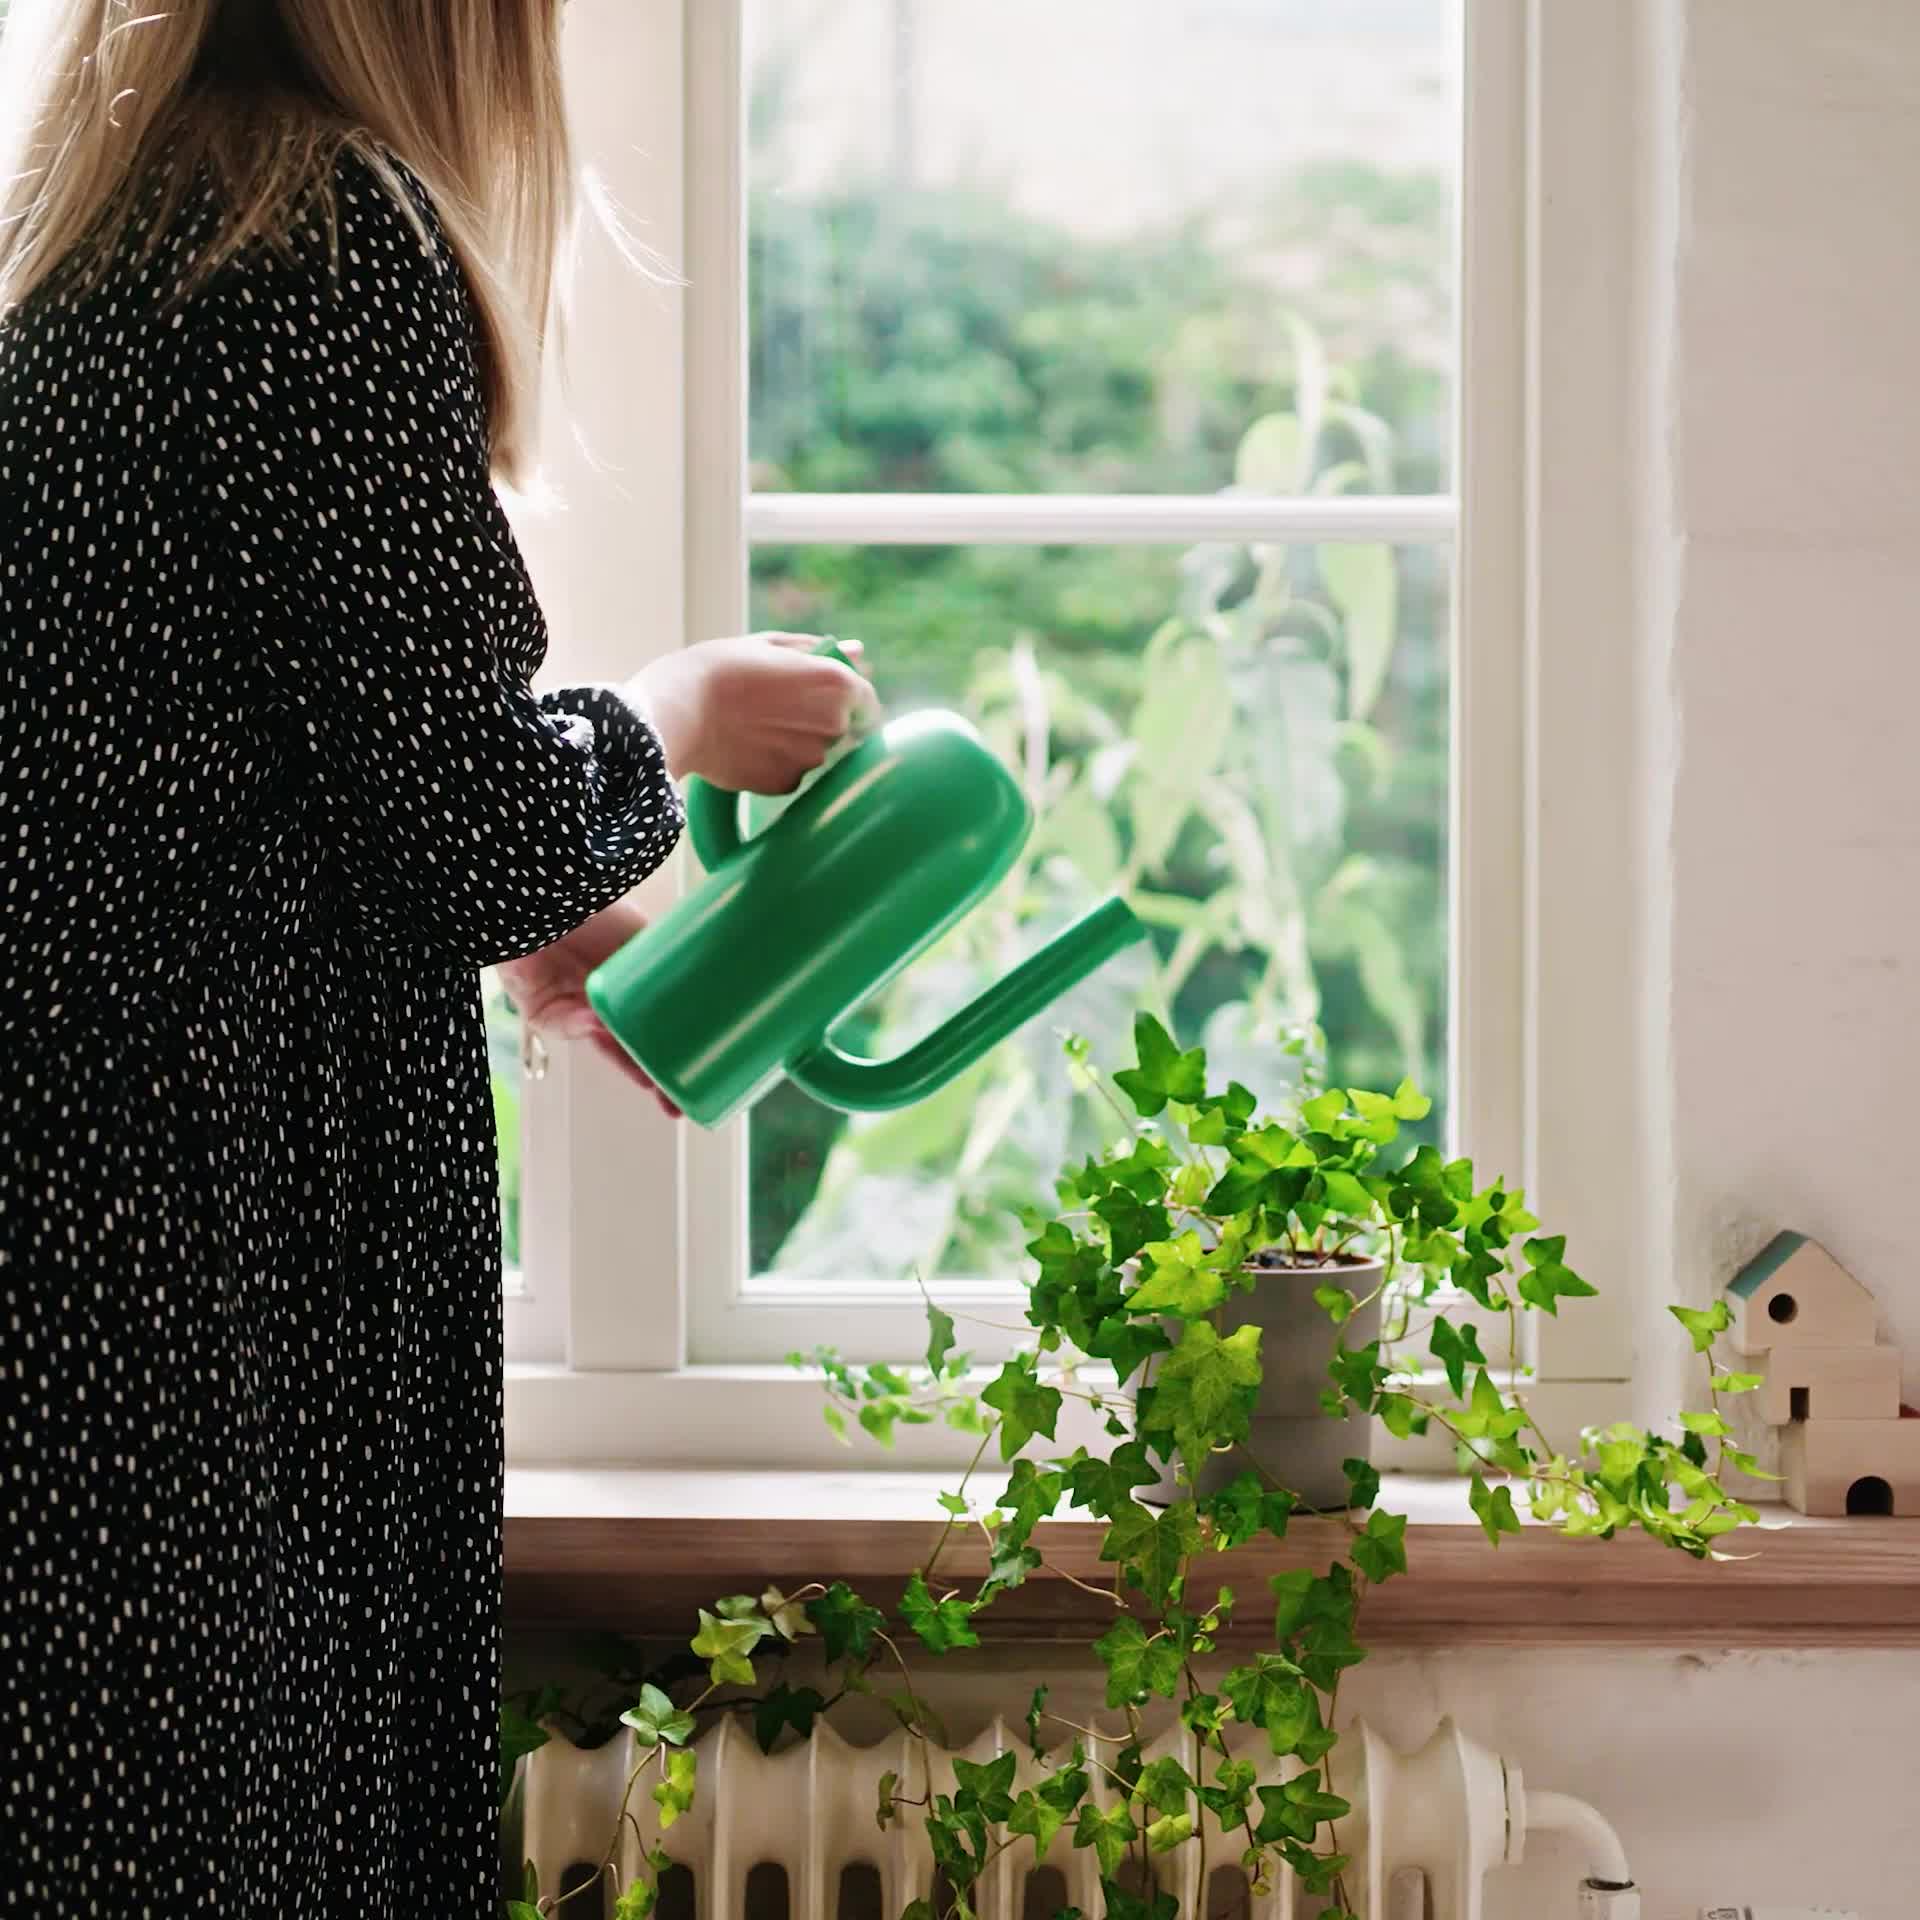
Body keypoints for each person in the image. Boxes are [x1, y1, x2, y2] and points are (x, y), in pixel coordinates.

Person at [0, 1, 870, 1911]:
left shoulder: (108, 233)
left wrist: (528, 917)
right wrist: (676, 710)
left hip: (90, 1225)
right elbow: (456, 810)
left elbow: (218, 771)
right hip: (207, 1251)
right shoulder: (316, 245)